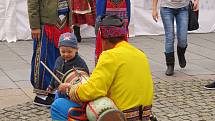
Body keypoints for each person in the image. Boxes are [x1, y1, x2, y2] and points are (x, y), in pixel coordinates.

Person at [51, 15, 154, 121]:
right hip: (145, 117)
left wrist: (70, 89)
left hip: (118, 117)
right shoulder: (140, 54)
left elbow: (93, 90)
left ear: (102, 38)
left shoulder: (110, 56)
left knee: (58, 105)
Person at [28, 0, 72, 106]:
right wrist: (35, 26)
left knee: (59, 59)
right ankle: (41, 94)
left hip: (63, 23)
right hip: (46, 24)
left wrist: (70, 22)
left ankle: (53, 90)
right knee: (44, 58)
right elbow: (32, 3)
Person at [152, 0, 199, 76]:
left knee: (183, 38)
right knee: (169, 37)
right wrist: (154, 9)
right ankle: (170, 64)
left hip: (183, 8)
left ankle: (181, 53)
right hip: (166, 8)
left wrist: (196, 1)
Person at [47, 32, 89, 99]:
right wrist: (51, 86)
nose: (66, 54)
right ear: (59, 49)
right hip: (59, 89)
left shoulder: (80, 63)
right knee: (57, 102)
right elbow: (54, 74)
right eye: (63, 52)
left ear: (76, 50)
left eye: (69, 52)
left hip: (73, 91)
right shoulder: (58, 60)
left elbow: (85, 77)